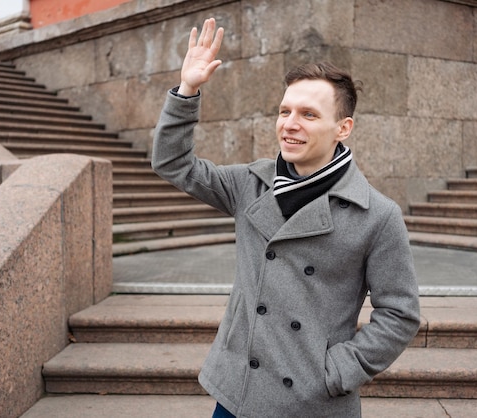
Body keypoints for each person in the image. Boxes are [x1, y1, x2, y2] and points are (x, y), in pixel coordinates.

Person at [152, 18, 421, 418]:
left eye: (308, 115)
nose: (290, 124)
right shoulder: (250, 183)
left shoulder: (377, 215)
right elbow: (174, 164)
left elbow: (399, 313)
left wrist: (336, 370)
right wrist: (188, 89)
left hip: (312, 400)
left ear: (342, 128)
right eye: (284, 111)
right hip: (239, 390)